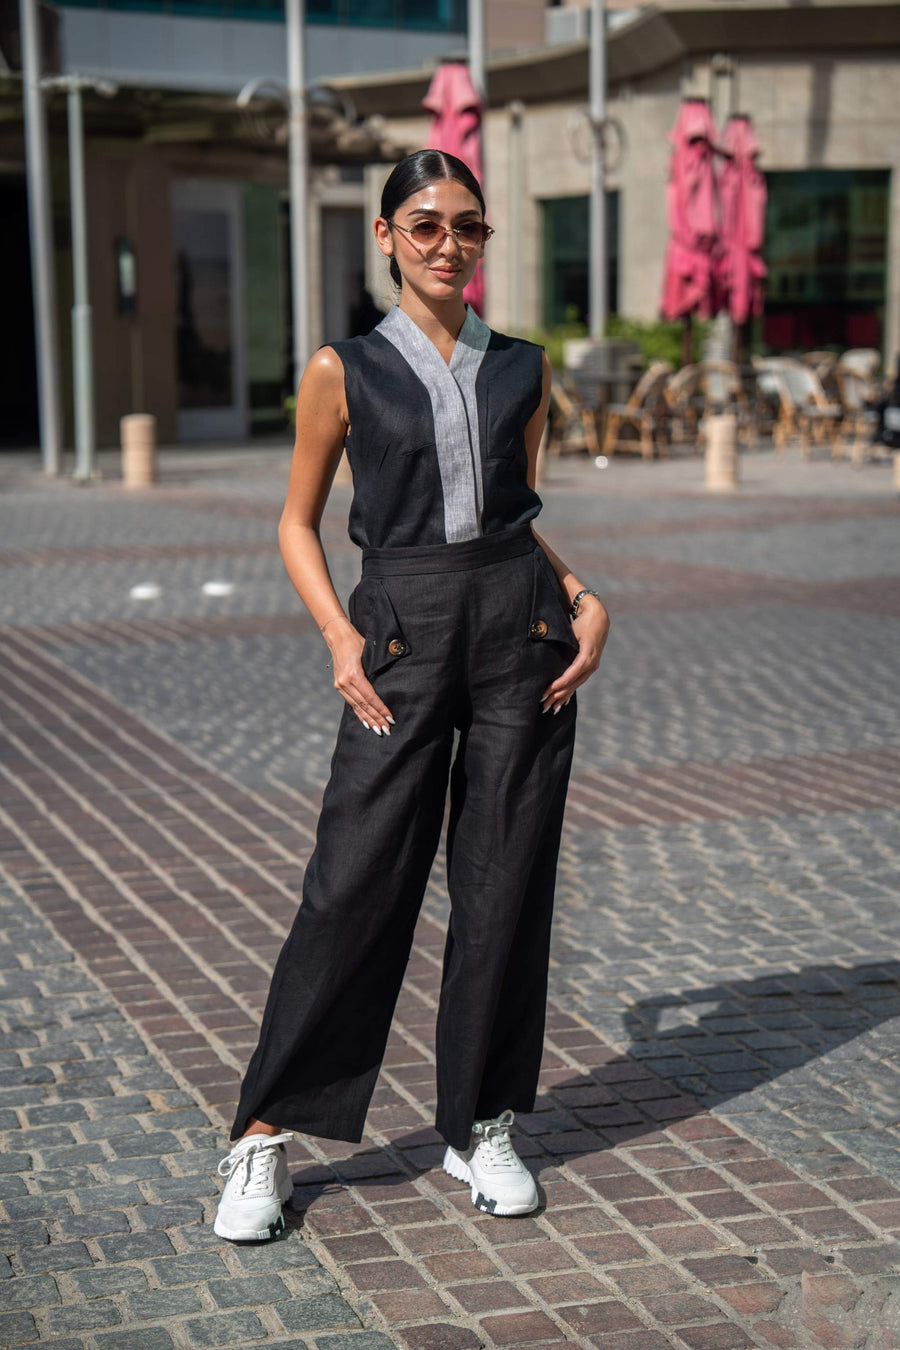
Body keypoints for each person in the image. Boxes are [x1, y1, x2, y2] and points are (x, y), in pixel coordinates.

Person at [213, 149, 610, 1241]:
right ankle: (261, 1138)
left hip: (518, 629)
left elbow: (509, 513)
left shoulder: (524, 367)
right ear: (385, 235)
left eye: (469, 227)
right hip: (397, 629)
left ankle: (479, 1121)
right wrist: (340, 636)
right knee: (353, 882)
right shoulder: (343, 367)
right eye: (427, 225)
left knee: (503, 879)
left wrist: (582, 594)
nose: (450, 245)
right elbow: (297, 521)